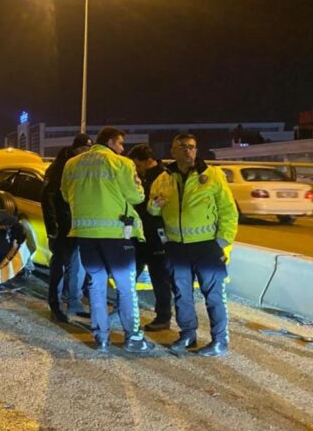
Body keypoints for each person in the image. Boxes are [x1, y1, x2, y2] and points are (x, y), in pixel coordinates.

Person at [61, 126, 154, 353]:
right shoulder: (120, 163)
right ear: (112, 142)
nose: (122, 148)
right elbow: (136, 196)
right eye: (121, 143)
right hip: (116, 235)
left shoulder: (72, 163)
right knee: (126, 288)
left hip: (85, 234)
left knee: (96, 286)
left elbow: (65, 193)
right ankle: (133, 338)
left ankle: (101, 337)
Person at [148, 134, 238, 357]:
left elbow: (228, 210)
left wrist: (221, 242)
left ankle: (220, 340)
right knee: (181, 294)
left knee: (214, 295)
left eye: (192, 147)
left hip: (207, 247)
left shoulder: (213, 175)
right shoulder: (163, 179)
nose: (188, 151)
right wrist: (154, 206)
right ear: (173, 151)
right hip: (177, 248)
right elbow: (152, 210)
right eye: (183, 147)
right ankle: (188, 334)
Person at [42, 133, 93, 322]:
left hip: (78, 225)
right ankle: (55, 304)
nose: (86, 153)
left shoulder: (83, 167)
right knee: (59, 266)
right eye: (84, 149)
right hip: (62, 226)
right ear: (75, 149)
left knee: (76, 266)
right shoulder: (58, 168)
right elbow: (47, 199)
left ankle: (74, 303)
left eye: (89, 149)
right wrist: (52, 228)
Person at [127, 144, 174, 331]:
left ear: (147, 161)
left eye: (137, 164)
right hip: (140, 235)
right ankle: (124, 309)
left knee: (159, 278)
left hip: (156, 235)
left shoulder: (164, 177)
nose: (135, 169)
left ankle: (163, 317)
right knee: (130, 275)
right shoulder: (142, 176)